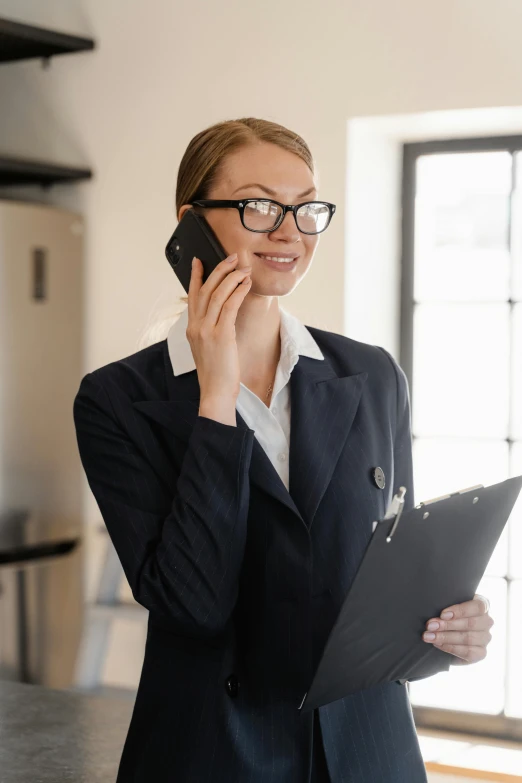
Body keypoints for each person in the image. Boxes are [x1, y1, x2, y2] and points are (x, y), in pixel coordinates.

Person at [73, 117, 494, 783]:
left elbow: (388, 566)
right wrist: (216, 397)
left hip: (368, 750)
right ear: (192, 223)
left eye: (307, 209)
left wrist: (449, 626)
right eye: (261, 205)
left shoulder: (372, 374)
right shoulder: (118, 401)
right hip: (214, 753)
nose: (291, 232)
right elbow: (194, 605)